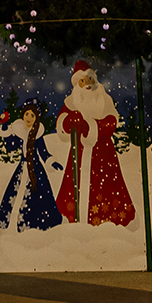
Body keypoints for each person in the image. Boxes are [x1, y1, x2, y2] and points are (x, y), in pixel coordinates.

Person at [57, 62, 137, 226]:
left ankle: (109, 218)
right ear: (77, 84)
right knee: (74, 184)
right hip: (78, 150)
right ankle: (72, 218)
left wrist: (92, 127)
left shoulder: (104, 99)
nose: (87, 84)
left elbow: (112, 121)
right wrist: (68, 122)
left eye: (90, 80)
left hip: (103, 152)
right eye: (82, 81)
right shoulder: (72, 101)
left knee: (106, 187)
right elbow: (61, 121)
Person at [0, 104, 65, 231]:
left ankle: (36, 224)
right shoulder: (20, 134)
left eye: (32, 115)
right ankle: (7, 223)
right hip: (22, 168)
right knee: (14, 193)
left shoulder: (38, 135)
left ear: (36, 118)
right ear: (23, 116)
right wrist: (5, 126)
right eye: (27, 114)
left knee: (38, 197)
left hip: (36, 170)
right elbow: (11, 146)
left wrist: (52, 162)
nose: (29, 117)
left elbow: (44, 153)